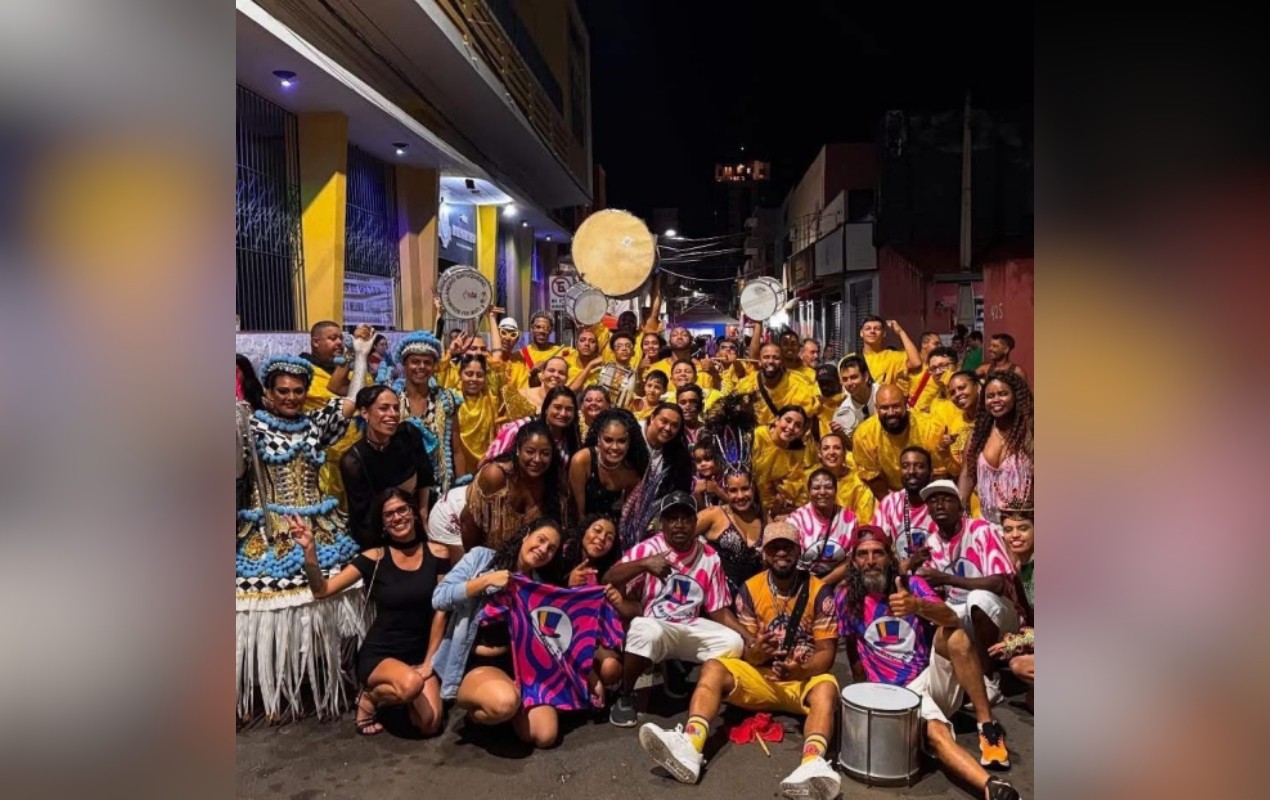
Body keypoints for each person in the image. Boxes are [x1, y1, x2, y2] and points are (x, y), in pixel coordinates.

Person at [637, 522, 842, 800]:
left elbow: (827, 652)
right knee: (713, 666)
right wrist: (757, 652)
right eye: (774, 547)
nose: (781, 552)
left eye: (787, 547)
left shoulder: (819, 591)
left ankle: (812, 763)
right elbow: (748, 652)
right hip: (759, 678)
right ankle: (691, 744)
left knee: (828, 687)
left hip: (800, 680)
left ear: (798, 551)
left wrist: (802, 668)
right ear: (765, 555)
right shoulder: (750, 588)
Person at [235, 351, 370, 722]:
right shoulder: (252, 427)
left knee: (329, 602)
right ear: (268, 393)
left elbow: (352, 401)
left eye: (297, 391)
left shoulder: (316, 424)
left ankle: (321, 680)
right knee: (268, 610)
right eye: (283, 391)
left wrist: (358, 358)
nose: (291, 397)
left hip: (320, 527)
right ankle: (270, 690)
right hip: (267, 533)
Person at [841, 527, 1021, 800]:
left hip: (928, 680)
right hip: (895, 697)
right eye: (863, 554)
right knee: (936, 733)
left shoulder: (911, 585)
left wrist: (917, 606)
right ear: (854, 561)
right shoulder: (846, 598)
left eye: (878, 553)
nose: (870, 560)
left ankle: (987, 726)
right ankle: (992, 787)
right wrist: (862, 690)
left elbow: (951, 617)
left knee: (956, 636)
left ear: (890, 557)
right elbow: (853, 647)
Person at [292, 489, 450, 737]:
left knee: (430, 724)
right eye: (389, 515)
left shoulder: (439, 553)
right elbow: (322, 590)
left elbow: (441, 611)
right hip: (382, 654)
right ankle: (369, 699)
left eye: (402, 510)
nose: (397, 518)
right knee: (411, 685)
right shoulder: (373, 557)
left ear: (414, 513)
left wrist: (430, 662)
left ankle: (401, 695)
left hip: (420, 653)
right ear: (384, 524)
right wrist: (309, 549)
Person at [603, 492, 750, 727]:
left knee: (733, 643)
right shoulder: (648, 548)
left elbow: (718, 609)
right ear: (662, 523)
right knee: (644, 630)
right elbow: (609, 577)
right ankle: (625, 694)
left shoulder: (709, 556)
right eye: (672, 519)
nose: (679, 525)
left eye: (685, 518)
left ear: (695, 522)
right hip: (656, 622)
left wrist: (747, 636)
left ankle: (691, 678)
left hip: (689, 624)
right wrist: (644, 564)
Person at [430, 518, 565, 748]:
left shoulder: (538, 588)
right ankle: (480, 713)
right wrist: (484, 581)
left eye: (551, 549)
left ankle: (504, 707)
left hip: (517, 669)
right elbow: (439, 598)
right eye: (541, 540)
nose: (543, 549)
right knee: (503, 703)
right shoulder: (481, 558)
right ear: (526, 535)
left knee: (545, 735)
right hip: (475, 663)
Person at [913, 481, 1021, 689]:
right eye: (933, 501)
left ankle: (988, 679)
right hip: (961, 613)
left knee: (977, 599)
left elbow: (998, 583)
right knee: (926, 607)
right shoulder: (931, 542)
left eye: (946, 499)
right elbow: (932, 591)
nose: (940, 505)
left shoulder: (981, 530)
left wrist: (945, 578)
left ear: (961, 505)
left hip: (1000, 615)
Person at [340, 386, 436, 549]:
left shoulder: (409, 433)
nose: (392, 414)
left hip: (418, 515)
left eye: (396, 408)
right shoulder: (353, 461)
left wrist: (423, 514)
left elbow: (425, 477)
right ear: (365, 413)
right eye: (384, 408)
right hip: (381, 529)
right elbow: (364, 517)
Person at [301, 321, 375, 503]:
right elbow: (336, 393)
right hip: (326, 465)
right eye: (332, 338)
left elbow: (367, 393)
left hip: (362, 458)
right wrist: (352, 353)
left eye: (341, 338)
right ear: (315, 342)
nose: (339, 343)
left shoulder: (350, 369)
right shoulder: (304, 374)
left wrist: (358, 355)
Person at [461, 422, 565, 551]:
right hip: (468, 536)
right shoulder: (495, 476)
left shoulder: (554, 482)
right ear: (517, 450)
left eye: (545, 453)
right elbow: (468, 522)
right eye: (530, 451)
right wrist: (475, 561)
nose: (537, 459)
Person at [389, 331, 466, 497]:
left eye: (427, 362)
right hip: (398, 484)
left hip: (438, 486)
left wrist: (460, 491)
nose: (421, 367)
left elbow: (457, 448)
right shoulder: (391, 399)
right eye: (415, 362)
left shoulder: (447, 399)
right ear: (404, 364)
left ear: (434, 366)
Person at [958, 371, 1034, 524]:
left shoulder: (1031, 433)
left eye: (1003, 394)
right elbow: (967, 474)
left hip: (1024, 527)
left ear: (1016, 396)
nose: (996, 400)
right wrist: (961, 511)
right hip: (988, 526)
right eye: (990, 396)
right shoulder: (979, 435)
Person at [853, 384, 948, 502]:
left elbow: (940, 471)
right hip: (891, 495)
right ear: (876, 408)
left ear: (905, 403)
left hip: (929, 492)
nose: (891, 412)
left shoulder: (931, 427)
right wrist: (894, 507)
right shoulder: (864, 435)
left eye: (896, 406)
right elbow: (871, 476)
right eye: (884, 408)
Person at [568, 409, 649, 522]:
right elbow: (578, 512)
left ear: (629, 442)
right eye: (608, 440)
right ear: (599, 439)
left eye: (621, 441)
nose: (614, 447)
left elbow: (628, 516)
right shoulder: (582, 460)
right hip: (581, 525)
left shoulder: (632, 472)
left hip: (613, 526)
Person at [695, 470, 766, 596]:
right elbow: (678, 535)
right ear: (726, 491)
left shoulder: (764, 519)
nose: (740, 496)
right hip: (717, 600)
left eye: (745, 488)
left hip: (753, 600)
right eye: (733, 490)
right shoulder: (715, 514)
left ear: (753, 488)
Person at [787, 469, 858, 587]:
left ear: (836, 491)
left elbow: (851, 560)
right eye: (816, 488)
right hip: (801, 582)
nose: (822, 492)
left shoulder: (849, 519)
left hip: (838, 581)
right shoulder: (796, 520)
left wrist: (822, 585)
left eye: (828, 487)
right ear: (809, 492)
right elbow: (790, 559)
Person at [873, 446, 939, 564]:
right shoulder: (891, 502)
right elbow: (876, 544)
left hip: (940, 575)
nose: (911, 471)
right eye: (905, 466)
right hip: (903, 574)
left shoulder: (941, 501)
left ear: (931, 471)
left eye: (919, 466)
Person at [734, 342, 820, 427]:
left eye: (776, 358)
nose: (771, 361)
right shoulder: (747, 384)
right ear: (759, 361)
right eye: (766, 357)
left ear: (782, 362)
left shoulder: (798, 384)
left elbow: (807, 417)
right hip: (759, 438)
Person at [751, 404, 812, 516]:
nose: (791, 427)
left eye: (798, 425)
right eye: (788, 420)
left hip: (771, 508)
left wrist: (781, 496)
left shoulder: (797, 452)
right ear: (777, 420)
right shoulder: (757, 436)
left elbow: (793, 484)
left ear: (801, 432)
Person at [452, 353, 501, 471]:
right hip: (456, 466)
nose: (474, 379)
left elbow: (498, 433)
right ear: (460, 374)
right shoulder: (451, 399)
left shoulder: (491, 400)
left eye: (479, 375)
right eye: (469, 374)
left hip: (486, 464)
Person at [814, 432, 875, 523]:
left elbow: (865, 520)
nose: (831, 452)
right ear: (820, 454)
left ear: (844, 453)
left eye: (837, 448)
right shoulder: (811, 478)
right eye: (826, 448)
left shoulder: (857, 482)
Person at [857, 315, 922, 395]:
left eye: (877, 329)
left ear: (883, 334)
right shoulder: (852, 359)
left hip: (886, 405)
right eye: (868, 328)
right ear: (861, 333)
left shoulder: (892, 357)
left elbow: (916, 362)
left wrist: (901, 332)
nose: (872, 331)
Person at [641, 402, 694, 496]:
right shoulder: (631, 435)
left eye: (674, 425)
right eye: (664, 421)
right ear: (652, 418)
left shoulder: (677, 453)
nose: (668, 428)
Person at [503, 354, 572, 421]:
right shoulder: (521, 396)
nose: (556, 375)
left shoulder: (568, 404)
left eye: (561, 373)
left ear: (566, 379)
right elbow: (504, 426)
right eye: (551, 370)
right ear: (542, 373)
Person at [829, 354, 879, 446]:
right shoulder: (844, 411)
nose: (849, 383)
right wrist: (841, 435)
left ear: (865, 376)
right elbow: (852, 447)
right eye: (845, 379)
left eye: (854, 377)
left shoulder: (881, 393)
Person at [650, 326, 718, 390]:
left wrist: (714, 372)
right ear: (669, 342)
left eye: (684, 335)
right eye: (675, 335)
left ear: (691, 341)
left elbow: (718, 393)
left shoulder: (704, 368)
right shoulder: (656, 368)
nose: (679, 337)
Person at [1001, 504, 1035, 624]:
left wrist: (1016, 641)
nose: (1015, 535)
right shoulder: (1018, 568)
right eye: (1008, 530)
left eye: (1023, 528)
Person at [909, 337, 952, 413]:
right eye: (933, 368)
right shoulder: (922, 375)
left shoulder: (959, 383)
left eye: (942, 366)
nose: (938, 372)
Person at [488, 315, 531, 390]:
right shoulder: (486, 359)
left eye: (513, 335)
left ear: (516, 340)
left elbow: (523, 389)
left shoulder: (519, 364)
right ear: (496, 335)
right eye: (503, 333)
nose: (507, 338)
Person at [689, 439, 727, 510]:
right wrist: (697, 493)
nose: (703, 464)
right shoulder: (695, 481)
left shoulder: (725, 478)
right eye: (698, 461)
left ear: (717, 459)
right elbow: (698, 511)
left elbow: (734, 504)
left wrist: (717, 491)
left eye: (707, 459)